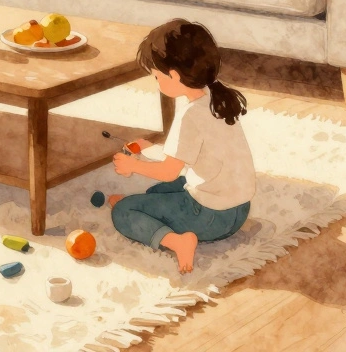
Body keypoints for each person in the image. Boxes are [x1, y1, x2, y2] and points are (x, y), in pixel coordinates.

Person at [107, 19, 255, 273]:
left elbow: (169, 171)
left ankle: (177, 241)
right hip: (239, 210)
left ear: (174, 75)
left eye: (157, 76)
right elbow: (190, 152)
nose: (156, 83)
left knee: (122, 211)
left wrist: (134, 165)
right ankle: (144, 206)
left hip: (211, 217)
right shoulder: (214, 96)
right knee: (159, 191)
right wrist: (148, 147)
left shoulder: (189, 115)